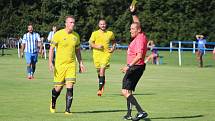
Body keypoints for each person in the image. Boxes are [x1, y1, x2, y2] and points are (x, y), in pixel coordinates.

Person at [49, 16, 85, 114]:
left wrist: (81, 63)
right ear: (66, 23)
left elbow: (78, 51)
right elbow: (51, 49)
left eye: (73, 22)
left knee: (70, 86)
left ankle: (67, 110)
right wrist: (50, 62)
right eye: (70, 22)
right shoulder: (58, 34)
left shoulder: (76, 36)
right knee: (58, 88)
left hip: (71, 65)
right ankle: (53, 101)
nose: (73, 24)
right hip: (60, 65)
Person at [121, 5, 148, 121]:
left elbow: (139, 56)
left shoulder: (139, 40)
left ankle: (141, 111)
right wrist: (133, 13)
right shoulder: (141, 35)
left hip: (135, 67)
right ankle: (129, 114)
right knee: (129, 91)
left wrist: (128, 66)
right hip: (137, 67)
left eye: (132, 29)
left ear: (138, 30)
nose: (130, 30)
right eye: (130, 28)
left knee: (124, 91)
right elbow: (137, 23)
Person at [89, 19, 116, 96]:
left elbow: (114, 41)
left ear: (106, 25)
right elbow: (90, 43)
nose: (103, 25)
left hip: (106, 54)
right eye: (101, 24)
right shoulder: (95, 33)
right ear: (99, 25)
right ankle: (102, 82)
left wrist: (113, 48)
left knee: (102, 69)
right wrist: (97, 46)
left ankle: (100, 89)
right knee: (99, 71)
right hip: (96, 54)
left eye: (104, 24)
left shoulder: (110, 33)